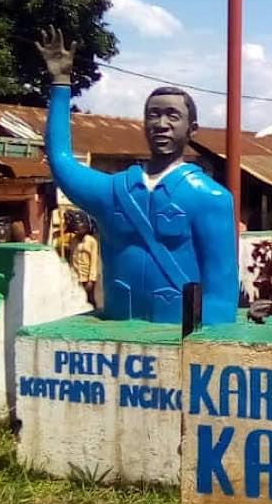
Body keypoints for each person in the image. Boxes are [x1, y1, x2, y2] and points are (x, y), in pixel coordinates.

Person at [37, 26, 237, 324]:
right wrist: (61, 83)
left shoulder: (211, 198)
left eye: (173, 115)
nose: (162, 123)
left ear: (192, 129)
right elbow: (61, 161)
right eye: (153, 115)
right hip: (119, 342)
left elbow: (221, 298)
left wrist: (199, 349)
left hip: (178, 343)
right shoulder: (114, 192)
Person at [68, 214, 99, 307]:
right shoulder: (74, 240)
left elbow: (94, 261)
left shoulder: (91, 241)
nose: (77, 231)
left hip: (86, 278)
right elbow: (72, 257)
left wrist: (91, 280)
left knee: (89, 300)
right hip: (76, 277)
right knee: (77, 301)